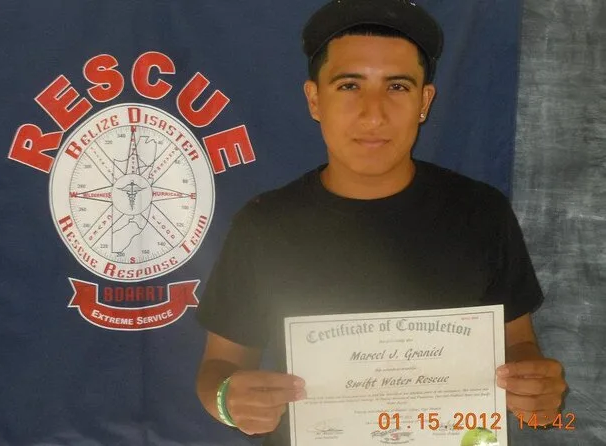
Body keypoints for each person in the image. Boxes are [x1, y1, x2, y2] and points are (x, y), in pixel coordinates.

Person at [194, 0, 567, 444]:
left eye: (398, 87)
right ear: (314, 99)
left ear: (424, 102)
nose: (373, 114)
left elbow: (519, 345)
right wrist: (227, 400)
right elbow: (218, 368)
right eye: (350, 85)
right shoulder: (263, 225)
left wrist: (534, 388)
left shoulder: (482, 212)